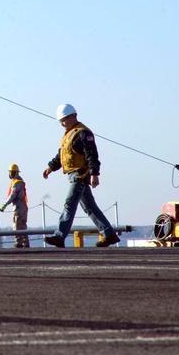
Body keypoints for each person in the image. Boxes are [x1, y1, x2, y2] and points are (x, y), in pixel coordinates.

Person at [42, 103, 121, 248]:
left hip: (80, 175)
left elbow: (92, 155)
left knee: (69, 204)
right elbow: (63, 154)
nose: (61, 124)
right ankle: (109, 234)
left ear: (72, 117)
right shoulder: (69, 134)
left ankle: (59, 236)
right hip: (73, 174)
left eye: (63, 120)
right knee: (90, 207)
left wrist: (94, 174)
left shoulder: (83, 133)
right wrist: (51, 167)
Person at [0, 163, 29, 248]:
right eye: (9, 172)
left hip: (19, 207)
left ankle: (18, 243)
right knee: (23, 225)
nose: (10, 174)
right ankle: (25, 243)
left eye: (11, 172)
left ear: (15, 172)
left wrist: (4, 205)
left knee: (17, 224)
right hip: (23, 206)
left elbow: (12, 195)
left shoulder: (16, 183)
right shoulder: (20, 182)